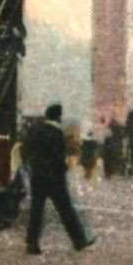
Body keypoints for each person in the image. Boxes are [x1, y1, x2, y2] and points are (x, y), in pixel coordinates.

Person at [23, 103, 96, 255]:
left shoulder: (34, 130)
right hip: (54, 179)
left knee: (36, 210)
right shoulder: (57, 133)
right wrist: (63, 168)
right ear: (57, 116)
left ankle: (32, 243)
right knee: (66, 211)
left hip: (37, 176)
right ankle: (79, 241)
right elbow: (58, 157)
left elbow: (26, 150)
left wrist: (31, 167)